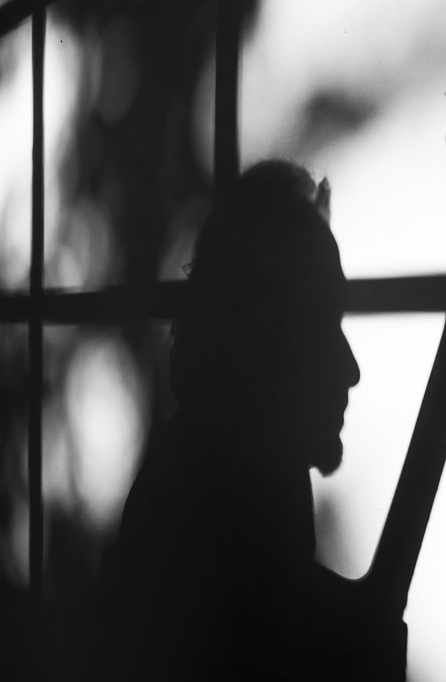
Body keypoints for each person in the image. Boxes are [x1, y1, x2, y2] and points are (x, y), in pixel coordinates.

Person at [108, 160, 408, 680]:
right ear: (263, 339)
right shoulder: (234, 502)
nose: (352, 369)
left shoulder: (213, 474)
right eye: (322, 324)